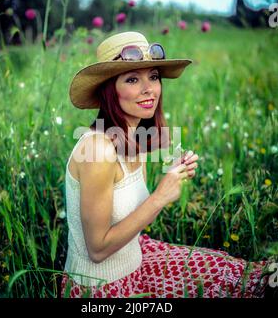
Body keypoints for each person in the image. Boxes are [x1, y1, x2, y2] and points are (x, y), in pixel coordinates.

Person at [61, 31, 269, 298]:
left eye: (154, 76)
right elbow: (98, 250)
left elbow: (137, 218)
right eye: (133, 79)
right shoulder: (97, 149)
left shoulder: (135, 138)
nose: (149, 89)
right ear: (109, 90)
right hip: (104, 287)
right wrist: (160, 197)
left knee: (239, 275)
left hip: (137, 256)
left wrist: (172, 179)